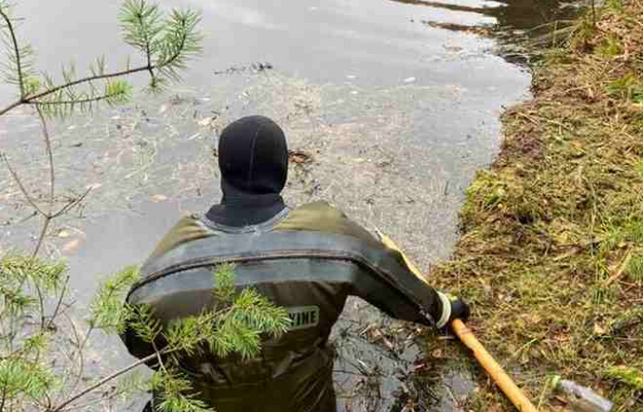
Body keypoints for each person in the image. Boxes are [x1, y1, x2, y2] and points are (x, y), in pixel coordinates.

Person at [122, 115, 469, 412]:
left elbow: (139, 342)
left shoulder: (165, 264)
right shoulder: (331, 239)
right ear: (283, 170)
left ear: (222, 171)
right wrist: (442, 310)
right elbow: (396, 287)